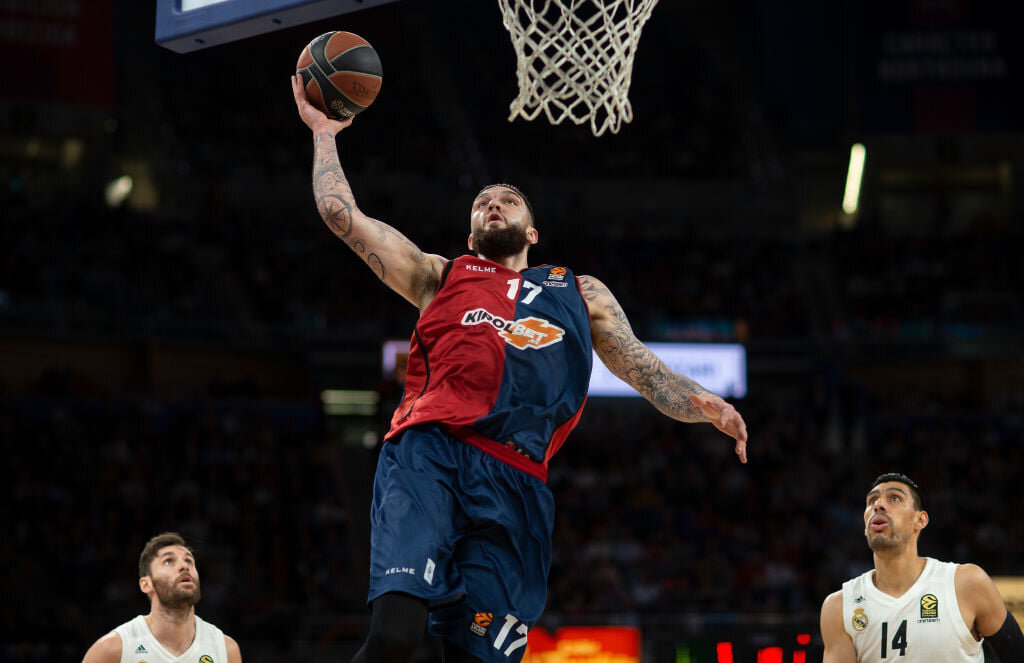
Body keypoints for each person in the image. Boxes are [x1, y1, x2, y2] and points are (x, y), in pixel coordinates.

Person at [290, 75, 749, 663]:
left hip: (516, 479)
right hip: (430, 455)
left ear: (532, 232)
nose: (494, 204)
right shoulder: (439, 276)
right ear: (471, 234)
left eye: (507, 199)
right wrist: (324, 133)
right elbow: (340, 214)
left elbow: (645, 371)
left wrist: (705, 404)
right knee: (396, 635)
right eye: (483, 202)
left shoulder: (579, 293)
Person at [820, 472, 1024, 662]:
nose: (878, 505)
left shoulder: (967, 583)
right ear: (865, 527)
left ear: (920, 520)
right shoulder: (839, 606)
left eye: (894, 498)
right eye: (872, 501)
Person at [82, 532, 242, 663]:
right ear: (146, 584)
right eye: (168, 561)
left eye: (189, 561)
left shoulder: (226, 649)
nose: (184, 566)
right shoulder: (114, 649)